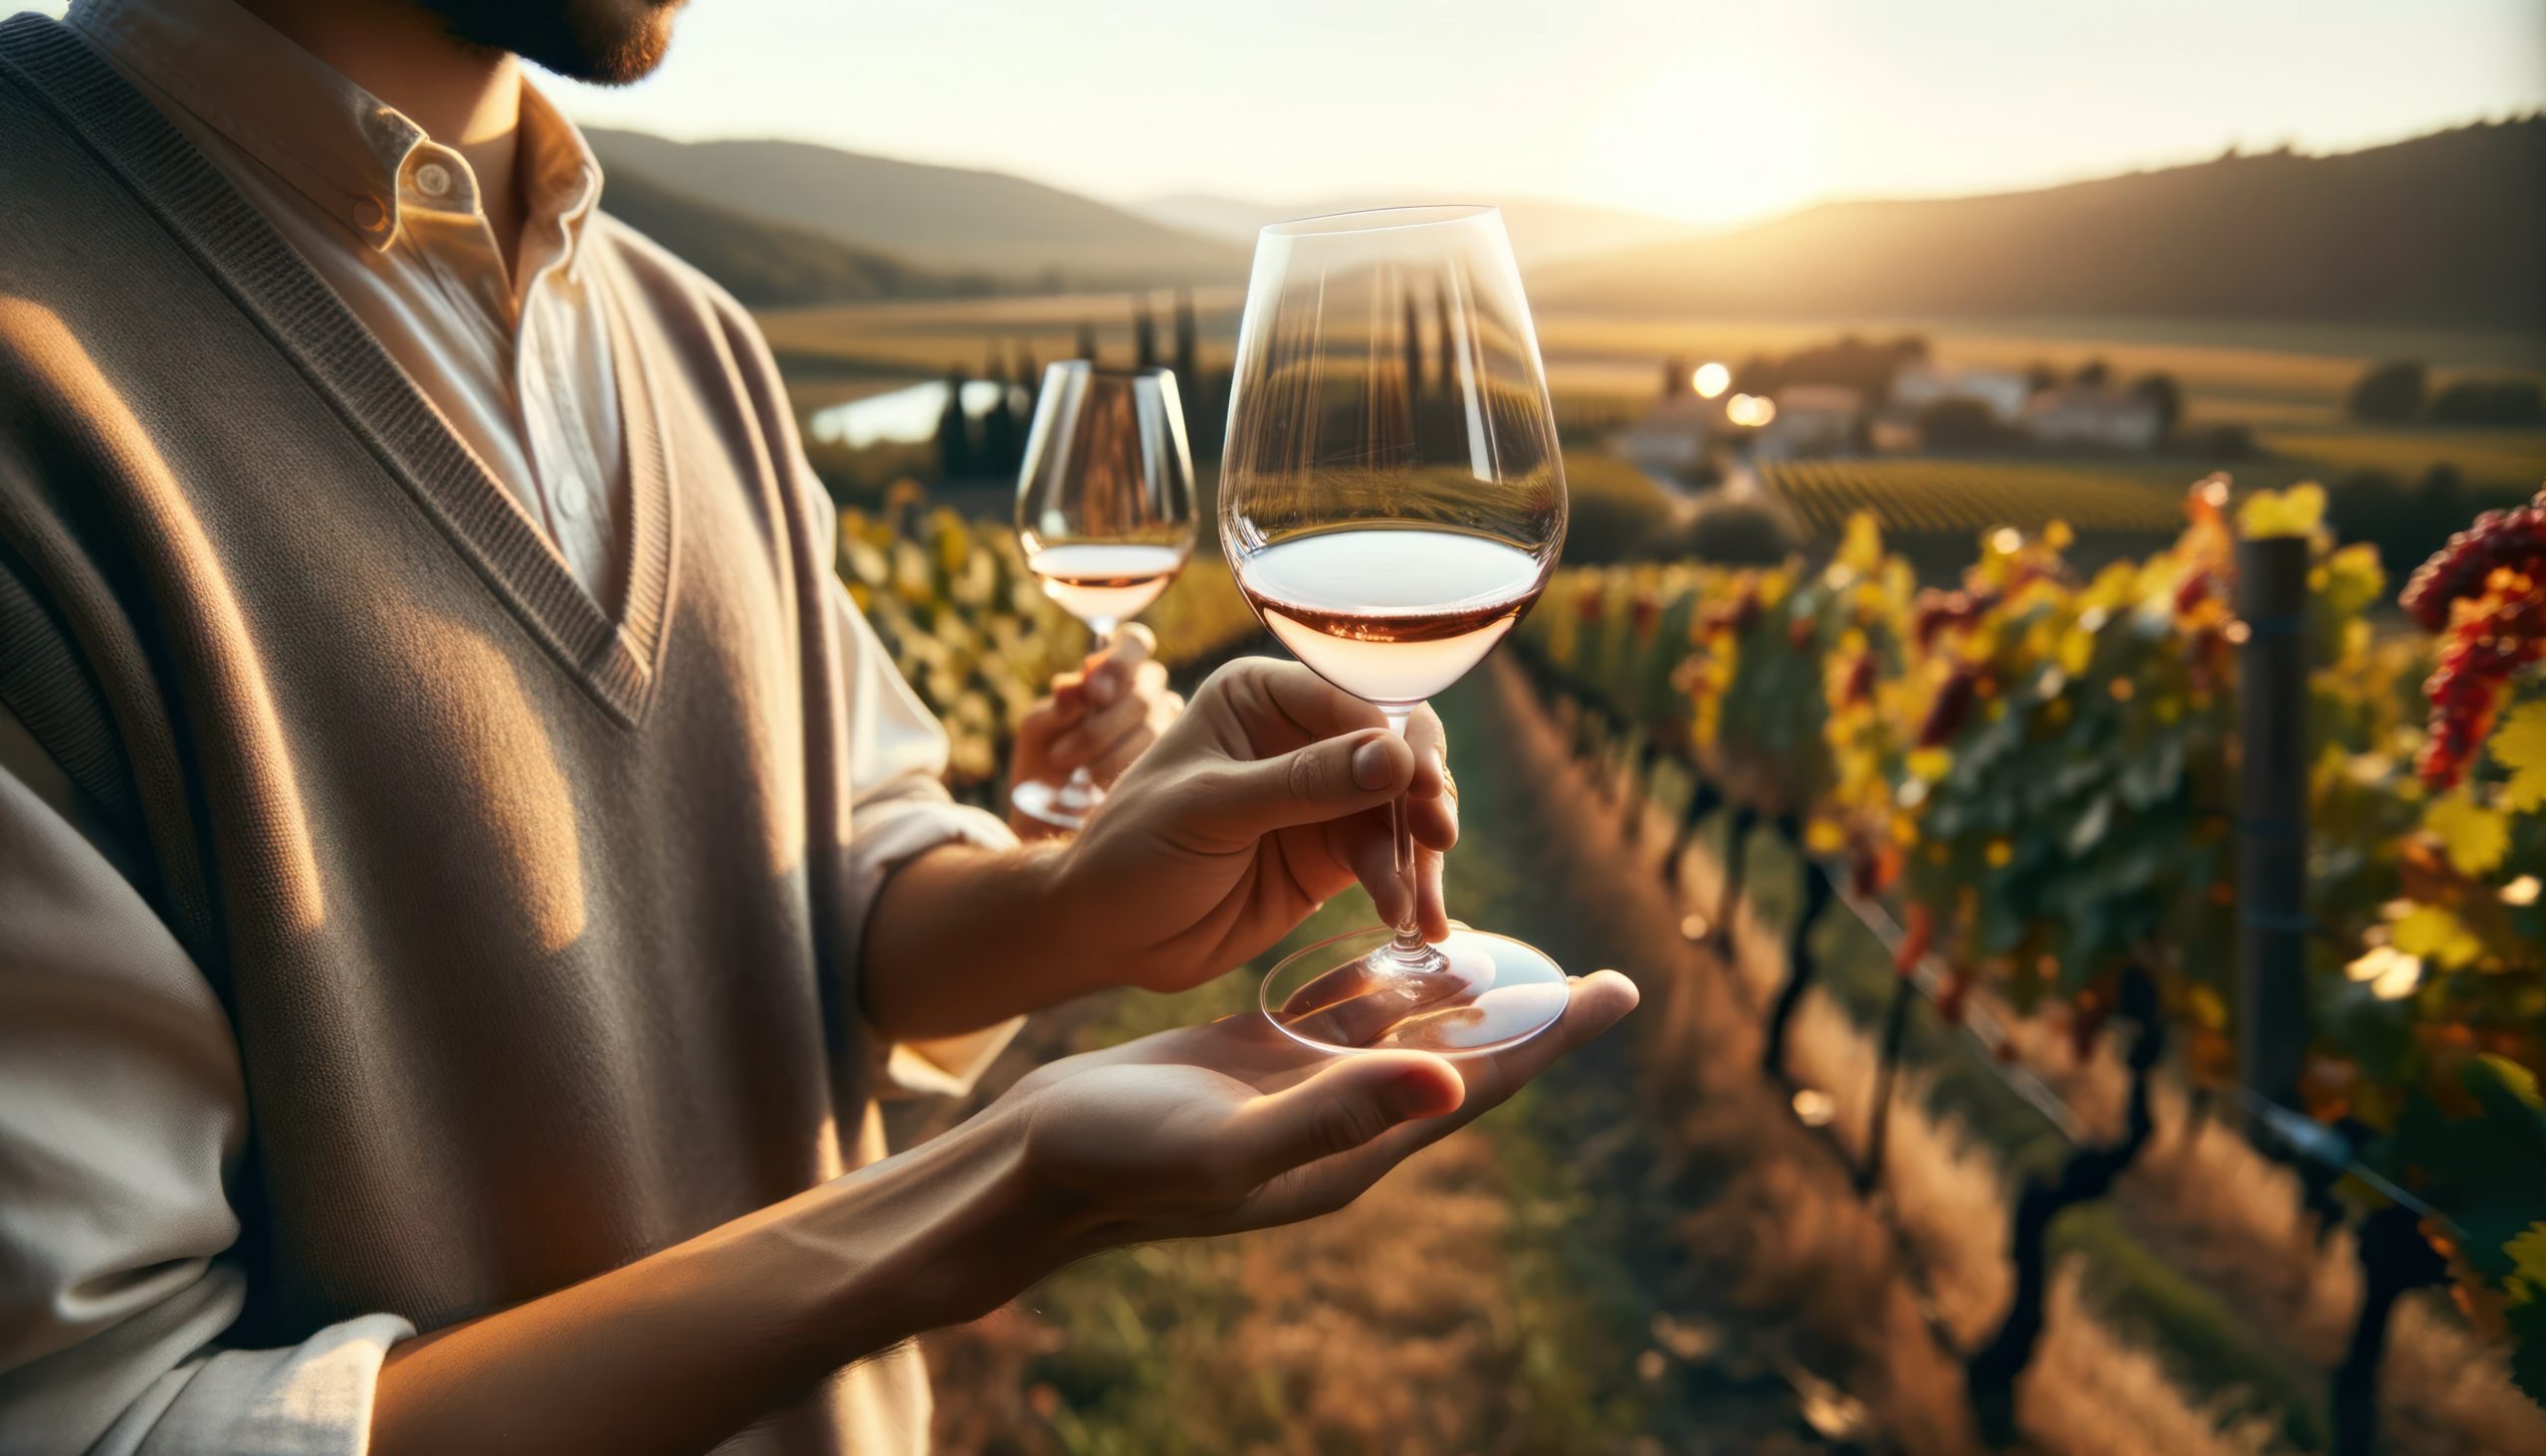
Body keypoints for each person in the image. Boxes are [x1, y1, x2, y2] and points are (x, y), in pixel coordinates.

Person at [0, 1, 1637, 1452]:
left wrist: (1069, 907)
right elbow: (109, 1425)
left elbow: (843, 889)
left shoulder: (687, 334)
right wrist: (996, 1193)